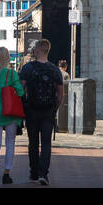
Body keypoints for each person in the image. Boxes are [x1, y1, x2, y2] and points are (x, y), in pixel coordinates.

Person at [19, 37, 64, 184]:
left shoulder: (28, 68)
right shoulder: (55, 70)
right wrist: (55, 107)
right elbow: (60, 93)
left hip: (32, 110)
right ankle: (43, 173)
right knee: (46, 143)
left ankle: (33, 172)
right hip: (48, 111)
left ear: (37, 50)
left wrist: (23, 106)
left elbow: (21, 89)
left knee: (33, 142)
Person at [0, 46, 24, 185]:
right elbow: (20, 92)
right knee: (10, 142)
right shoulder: (12, 74)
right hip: (10, 113)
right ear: (7, 58)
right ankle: (6, 173)